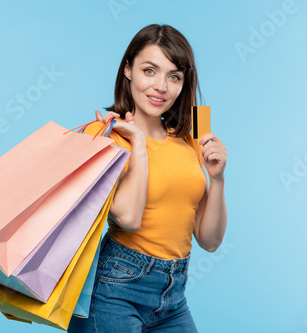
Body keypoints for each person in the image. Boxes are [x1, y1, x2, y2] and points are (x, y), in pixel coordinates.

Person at [68, 24, 227, 332]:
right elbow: (128, 218)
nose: (161, 87)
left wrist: (218, 179)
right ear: (128, 69)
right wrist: (138, 143)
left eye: (174, 76)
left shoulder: (192, 134)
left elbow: (209, 241)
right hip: (115, 289)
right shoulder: (104, 135)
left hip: (174, 293)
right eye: (150, 70)